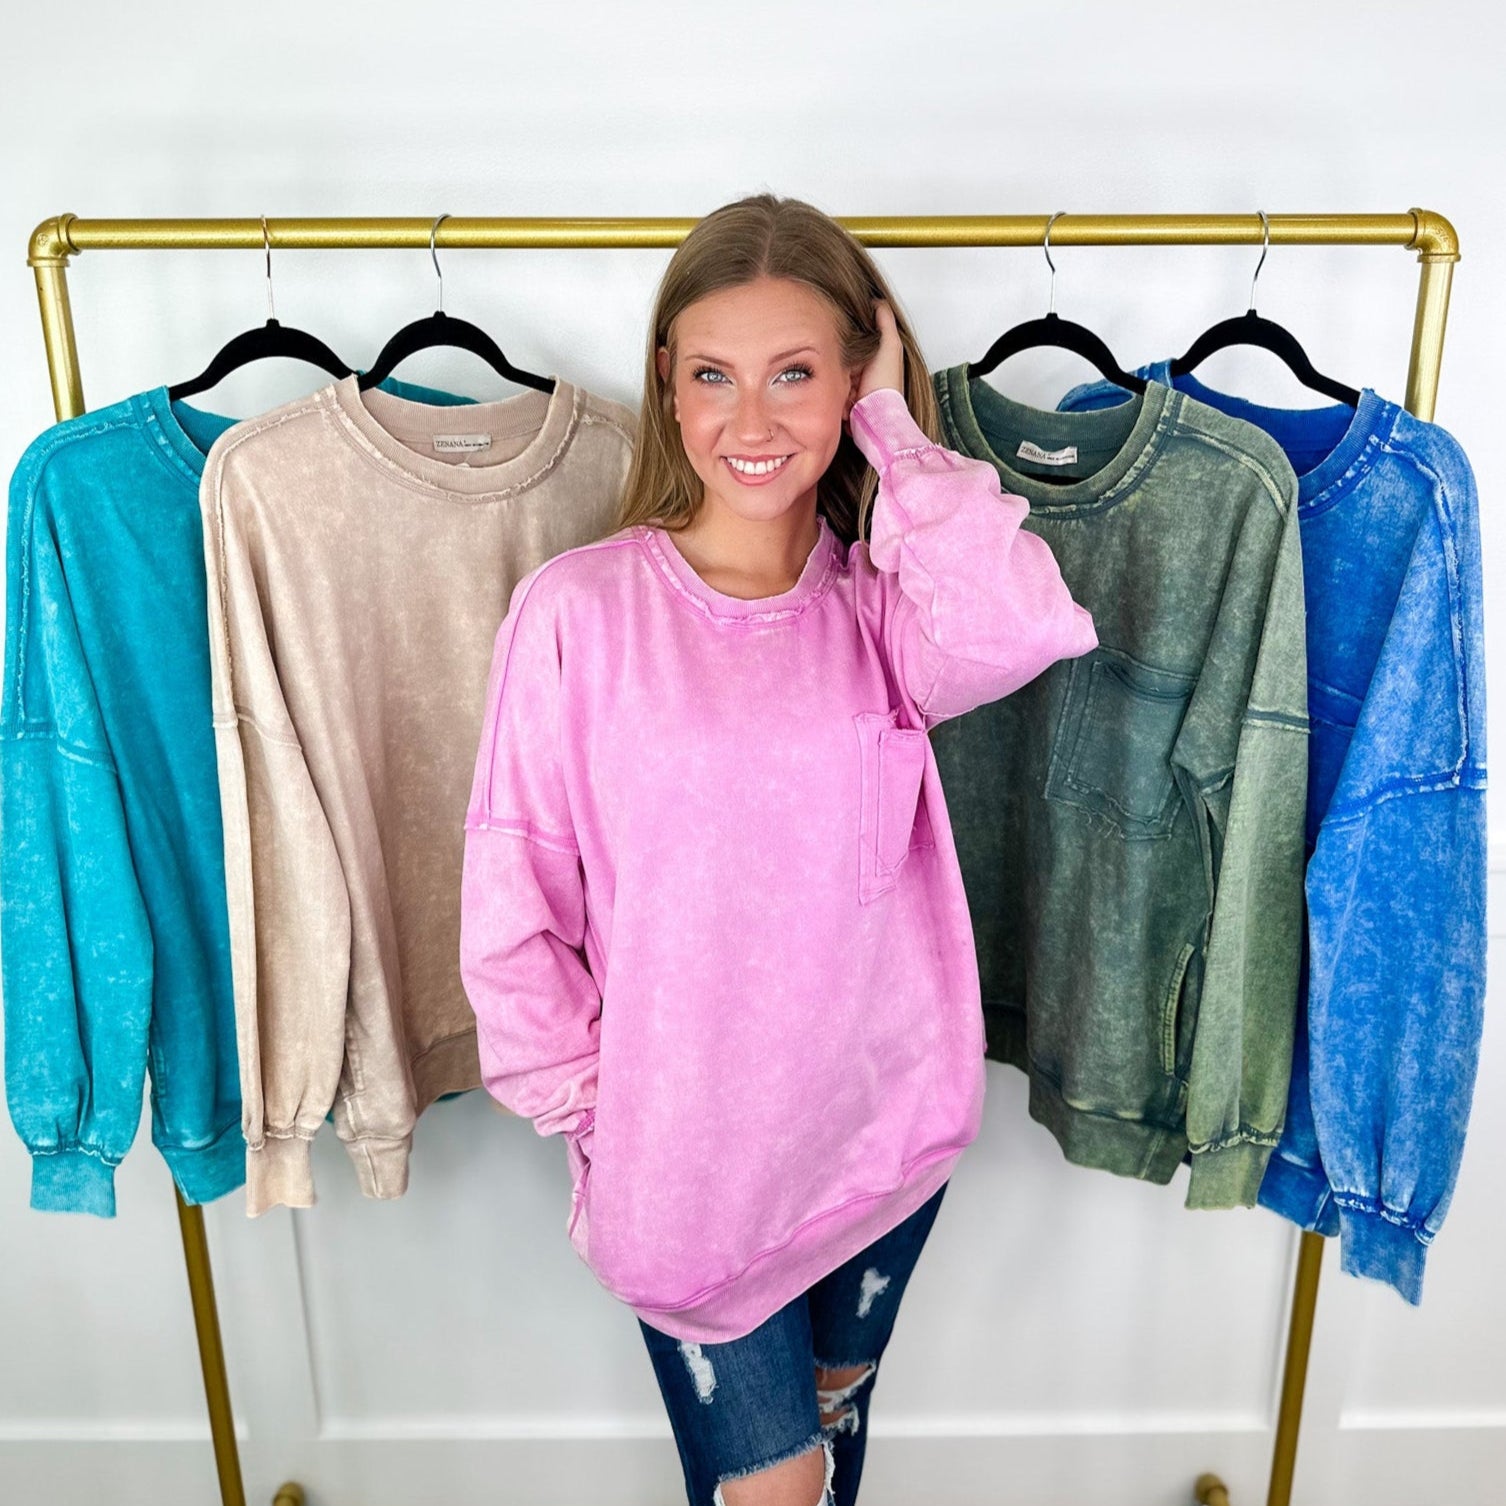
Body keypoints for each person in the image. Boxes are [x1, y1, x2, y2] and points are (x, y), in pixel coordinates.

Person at [459, 193, 1098, 1506]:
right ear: (667, 381)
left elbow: (1022, 623)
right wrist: (606, 1117)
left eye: (795, 374)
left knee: (831, 1455)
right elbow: (514, 896)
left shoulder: (882, 614)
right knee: (776, 1491)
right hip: (686, 1181)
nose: (750, 421)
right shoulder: (580, 613)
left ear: (855, 379)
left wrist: (898, 432)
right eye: (714, 375)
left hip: (879, 1147)